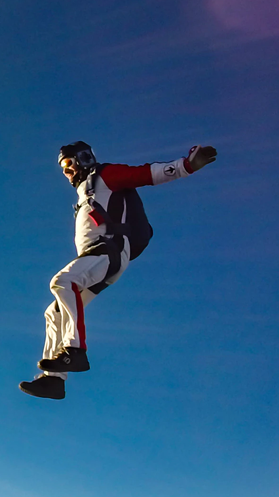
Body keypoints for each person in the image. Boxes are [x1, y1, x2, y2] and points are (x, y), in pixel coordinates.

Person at [19, 141, 218, 400]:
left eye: (69, 164)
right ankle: (53, 381)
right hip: (99, 256)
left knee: (62, 282)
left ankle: (74, 351)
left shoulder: (103, 176)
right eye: (63, 168)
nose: (67, 172)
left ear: (83, 159)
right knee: (54, 312)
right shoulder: (85, 194)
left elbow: (144, 174)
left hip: (108, 250)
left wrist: (187, 165)